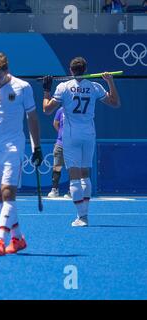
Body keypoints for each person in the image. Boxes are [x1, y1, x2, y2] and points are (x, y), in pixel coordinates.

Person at [0, 52, 43, 256]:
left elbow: (32, 118)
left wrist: (36, 147)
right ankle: (18, 238)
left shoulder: (23, 87)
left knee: (7, 193)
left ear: (6, 69)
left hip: (14, 145)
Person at [43, 57, 120, 227]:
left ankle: (81, 216)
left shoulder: (63, 87)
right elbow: (115, 103)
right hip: (89, 134)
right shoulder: (95, 87)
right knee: (85, 174)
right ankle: (85, 214)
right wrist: (110, 82)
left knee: (75, 177)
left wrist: (46, 91)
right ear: (85, 70)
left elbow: (47, 110)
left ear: (71, 70)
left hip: (71, 135)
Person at [47, 107, 71, 199]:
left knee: (72, 168)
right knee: (57, 167)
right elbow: (55, 123)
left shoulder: (74, 110)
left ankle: (71, 190)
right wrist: (61, 134)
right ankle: (54, 189)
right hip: (60, 143)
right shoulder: (60, 110)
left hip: (72, 144)